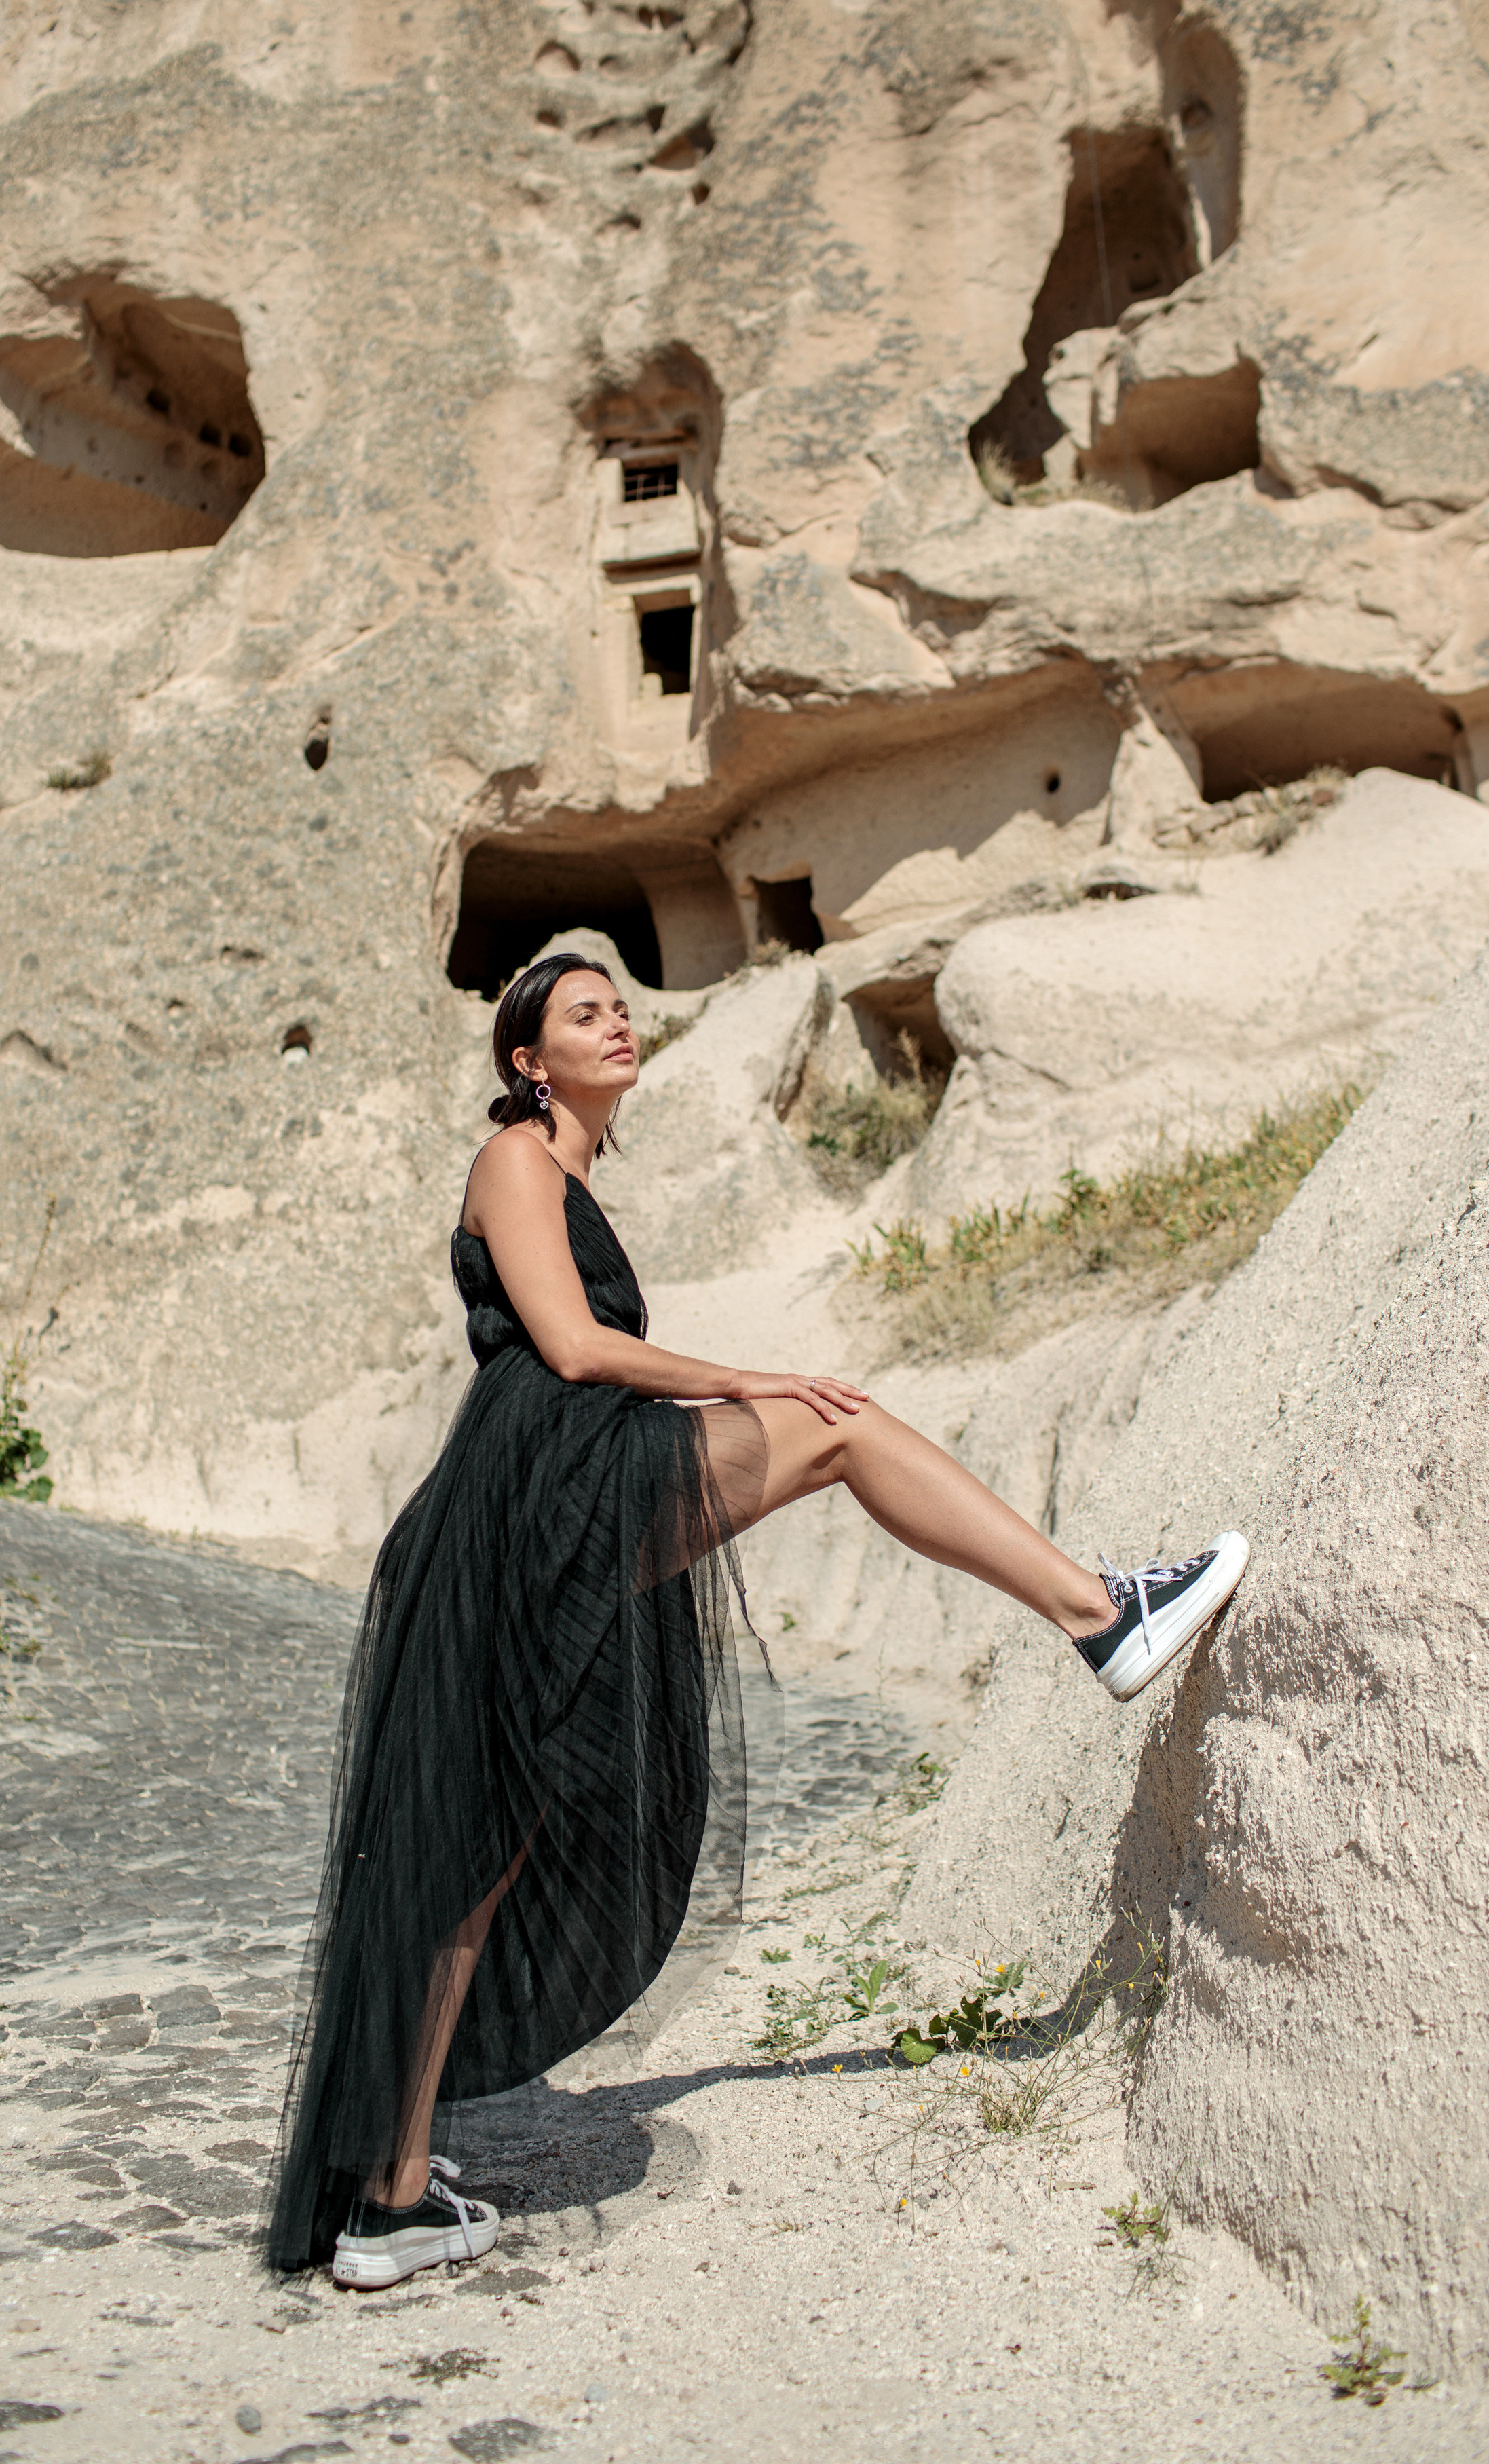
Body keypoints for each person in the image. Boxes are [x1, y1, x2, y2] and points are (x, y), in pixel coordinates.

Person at [265, 952, 1247, 2287]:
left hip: (539, 1489)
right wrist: (747, 1374)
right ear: (523, 1062)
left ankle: (387, 2185)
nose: (615, 1024)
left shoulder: (568, 1171)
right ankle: (1097, 1616)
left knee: (479, 1847)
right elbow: (570, 1348)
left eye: (620, 1006)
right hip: (536, 1489)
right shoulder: (515, 1159)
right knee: (831, 1431)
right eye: (580, 1015)